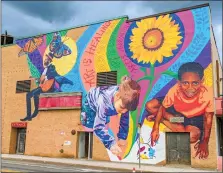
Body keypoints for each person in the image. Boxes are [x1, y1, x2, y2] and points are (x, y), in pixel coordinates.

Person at [141, 62, 214, 159]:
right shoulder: (174, 90)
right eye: (185, 83)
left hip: (193, 120)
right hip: (178, 114)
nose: (190, 88)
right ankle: (161, 118)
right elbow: (162, 107)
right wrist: (155, 128)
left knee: (191, 137)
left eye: (195, 83)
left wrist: (205, 141)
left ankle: (161, 119)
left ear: (202, 81)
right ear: (179, 82)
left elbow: (208, 119)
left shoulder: (208, 94)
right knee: (150, 106)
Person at [81, 76, 141, 157]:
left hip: (108, 106)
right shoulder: (103, 102)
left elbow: (124, 120)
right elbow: (98, 128)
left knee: (105, 120)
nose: (123, 112)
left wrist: (122, 137)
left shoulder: (125, 102)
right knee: (90, 124)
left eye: (126, 110)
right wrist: (111, 144)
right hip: (90, 105)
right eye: (122, 108)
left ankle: (104, 120)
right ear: (117, 96)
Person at [20, 53, 59, 121]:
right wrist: (36, 79)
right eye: (45, 59)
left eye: (46, 59)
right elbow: (41, 80)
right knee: (28, 95)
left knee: (35, 94)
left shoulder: (52, 67)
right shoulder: (45, 69)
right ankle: (28, 116)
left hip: (48, 88)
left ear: (49, 60)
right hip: (42, 87)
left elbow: (54, 73)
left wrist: (46, 78)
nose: (45, 60)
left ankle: (36, 110)